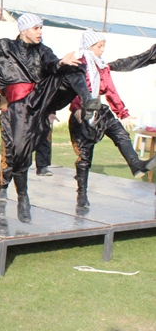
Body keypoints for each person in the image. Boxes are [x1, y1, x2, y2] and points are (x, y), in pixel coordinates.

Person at [0, 13, 102, 223]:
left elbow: (51, 64)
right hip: (15, 107)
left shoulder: (43, 50)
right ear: (24, 30)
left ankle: (87, 99)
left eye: (41, 28)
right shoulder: (4, 46)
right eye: (36, 28)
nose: (40, 32)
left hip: (41, 98)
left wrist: (60, 62)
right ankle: (19, 195)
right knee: (16, 152)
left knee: (72, 66)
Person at [68, 30, 155, 211]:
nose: (102, 50)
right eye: (99, 46)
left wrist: (123, 113)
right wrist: (73, 110)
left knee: (120, 134)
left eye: (103, 46)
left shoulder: (102, 67)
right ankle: (82, 194)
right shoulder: (77, 66)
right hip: (81, 113)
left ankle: (136, 165)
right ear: (89, 47)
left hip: (100, 110)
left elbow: (111, 91)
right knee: (85, 156)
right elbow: (69, 90)